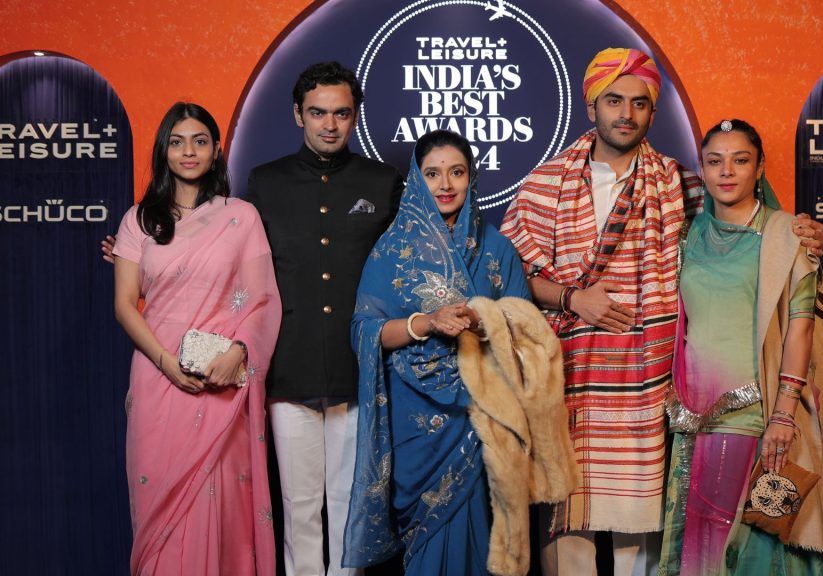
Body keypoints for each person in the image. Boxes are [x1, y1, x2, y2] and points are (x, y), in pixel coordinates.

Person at [500, 48, 823, 576]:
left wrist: (803, 232)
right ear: (591, 106)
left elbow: (750, 228)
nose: (625, 113)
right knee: (569, 528)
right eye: (614, 100)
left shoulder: (682, 185)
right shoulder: (543, 184)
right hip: (570, 384)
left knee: (648, 534)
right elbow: (509, 276)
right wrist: (571, 298)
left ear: (653, 113)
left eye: (639, 103)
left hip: (650, 391)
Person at [659, 119, 823, 576]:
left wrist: (784, 414)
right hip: (692, 420)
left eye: (740, 161)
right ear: (701, 171)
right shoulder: (687, 236)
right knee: (701, 542)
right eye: (715, 161)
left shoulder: (788, 235)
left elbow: (801, 327)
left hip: (758, 414)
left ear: (760, 168)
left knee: (754, 550)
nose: (727, 172)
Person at [343, 130, 531, 575]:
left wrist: (483, 323)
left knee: (484, 542)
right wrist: (424, 323)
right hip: (415, 422)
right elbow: (365, 331)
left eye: (456, 172)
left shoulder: (496, 248)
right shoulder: (392, 251)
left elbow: (526, 333)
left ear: (472, 178)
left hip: (483, 418)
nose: (445, 184)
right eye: (432, 173)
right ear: (416, 180)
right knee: (427, 540)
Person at [245, 62, 404, 576]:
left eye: (341, 113)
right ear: (298, 115)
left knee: (350, 507)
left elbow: (417, 261)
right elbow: (223, 253)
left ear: (355, 118)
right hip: (287, 368)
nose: (329, 124)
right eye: (318, 113)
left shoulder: (382, 183)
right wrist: (147, 250)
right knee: (298, 508)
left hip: (358, 369)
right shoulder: (264, 183)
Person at [111, 102, 282, 575]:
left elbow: (262, 299)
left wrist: (239, 353)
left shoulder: (241, 217)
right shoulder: (138, 221)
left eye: (200, 141)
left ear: (216, 150)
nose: (189, 151)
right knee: (159, 503)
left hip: (222, 382)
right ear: (163, 150)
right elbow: (126, 305)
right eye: (178, 141)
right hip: (157, 377)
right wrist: (166, 363)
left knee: (220, 503)